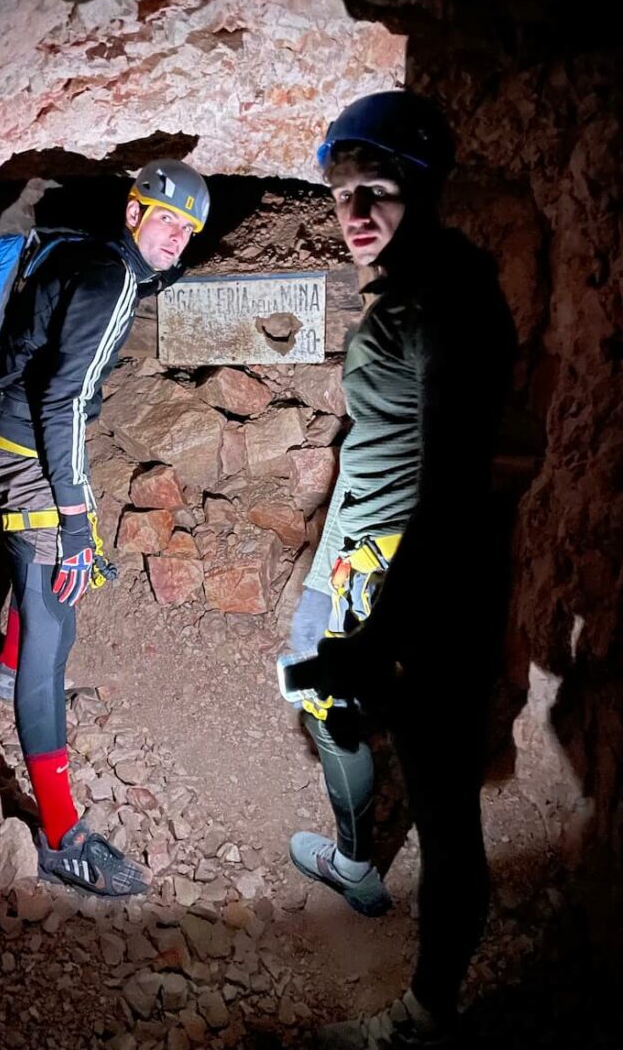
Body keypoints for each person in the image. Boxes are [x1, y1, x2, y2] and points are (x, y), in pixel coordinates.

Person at [277, 91, 516, 1047]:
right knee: (325, 700)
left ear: (422, 186)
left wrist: (381, 633)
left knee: (446, 807)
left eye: (376, 189)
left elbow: (451, 488)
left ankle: (426, 1012)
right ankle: (355, 861)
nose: (356, 212)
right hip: (365, 555)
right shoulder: (419, 292)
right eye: (343, 195)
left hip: (411, 578)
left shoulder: (440, 305)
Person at [0, 160, 210, 896]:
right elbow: (65, 404)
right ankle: (59, 835)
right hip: (28, 450)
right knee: (55, 617)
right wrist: (78, 522)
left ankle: (6, 672)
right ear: (133, 212)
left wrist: (162, 265)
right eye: (167, 220)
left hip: (7, 434)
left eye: (188, 230)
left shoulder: (96, 257)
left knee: (41, 581)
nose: (177, 237)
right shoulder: (111, 280)